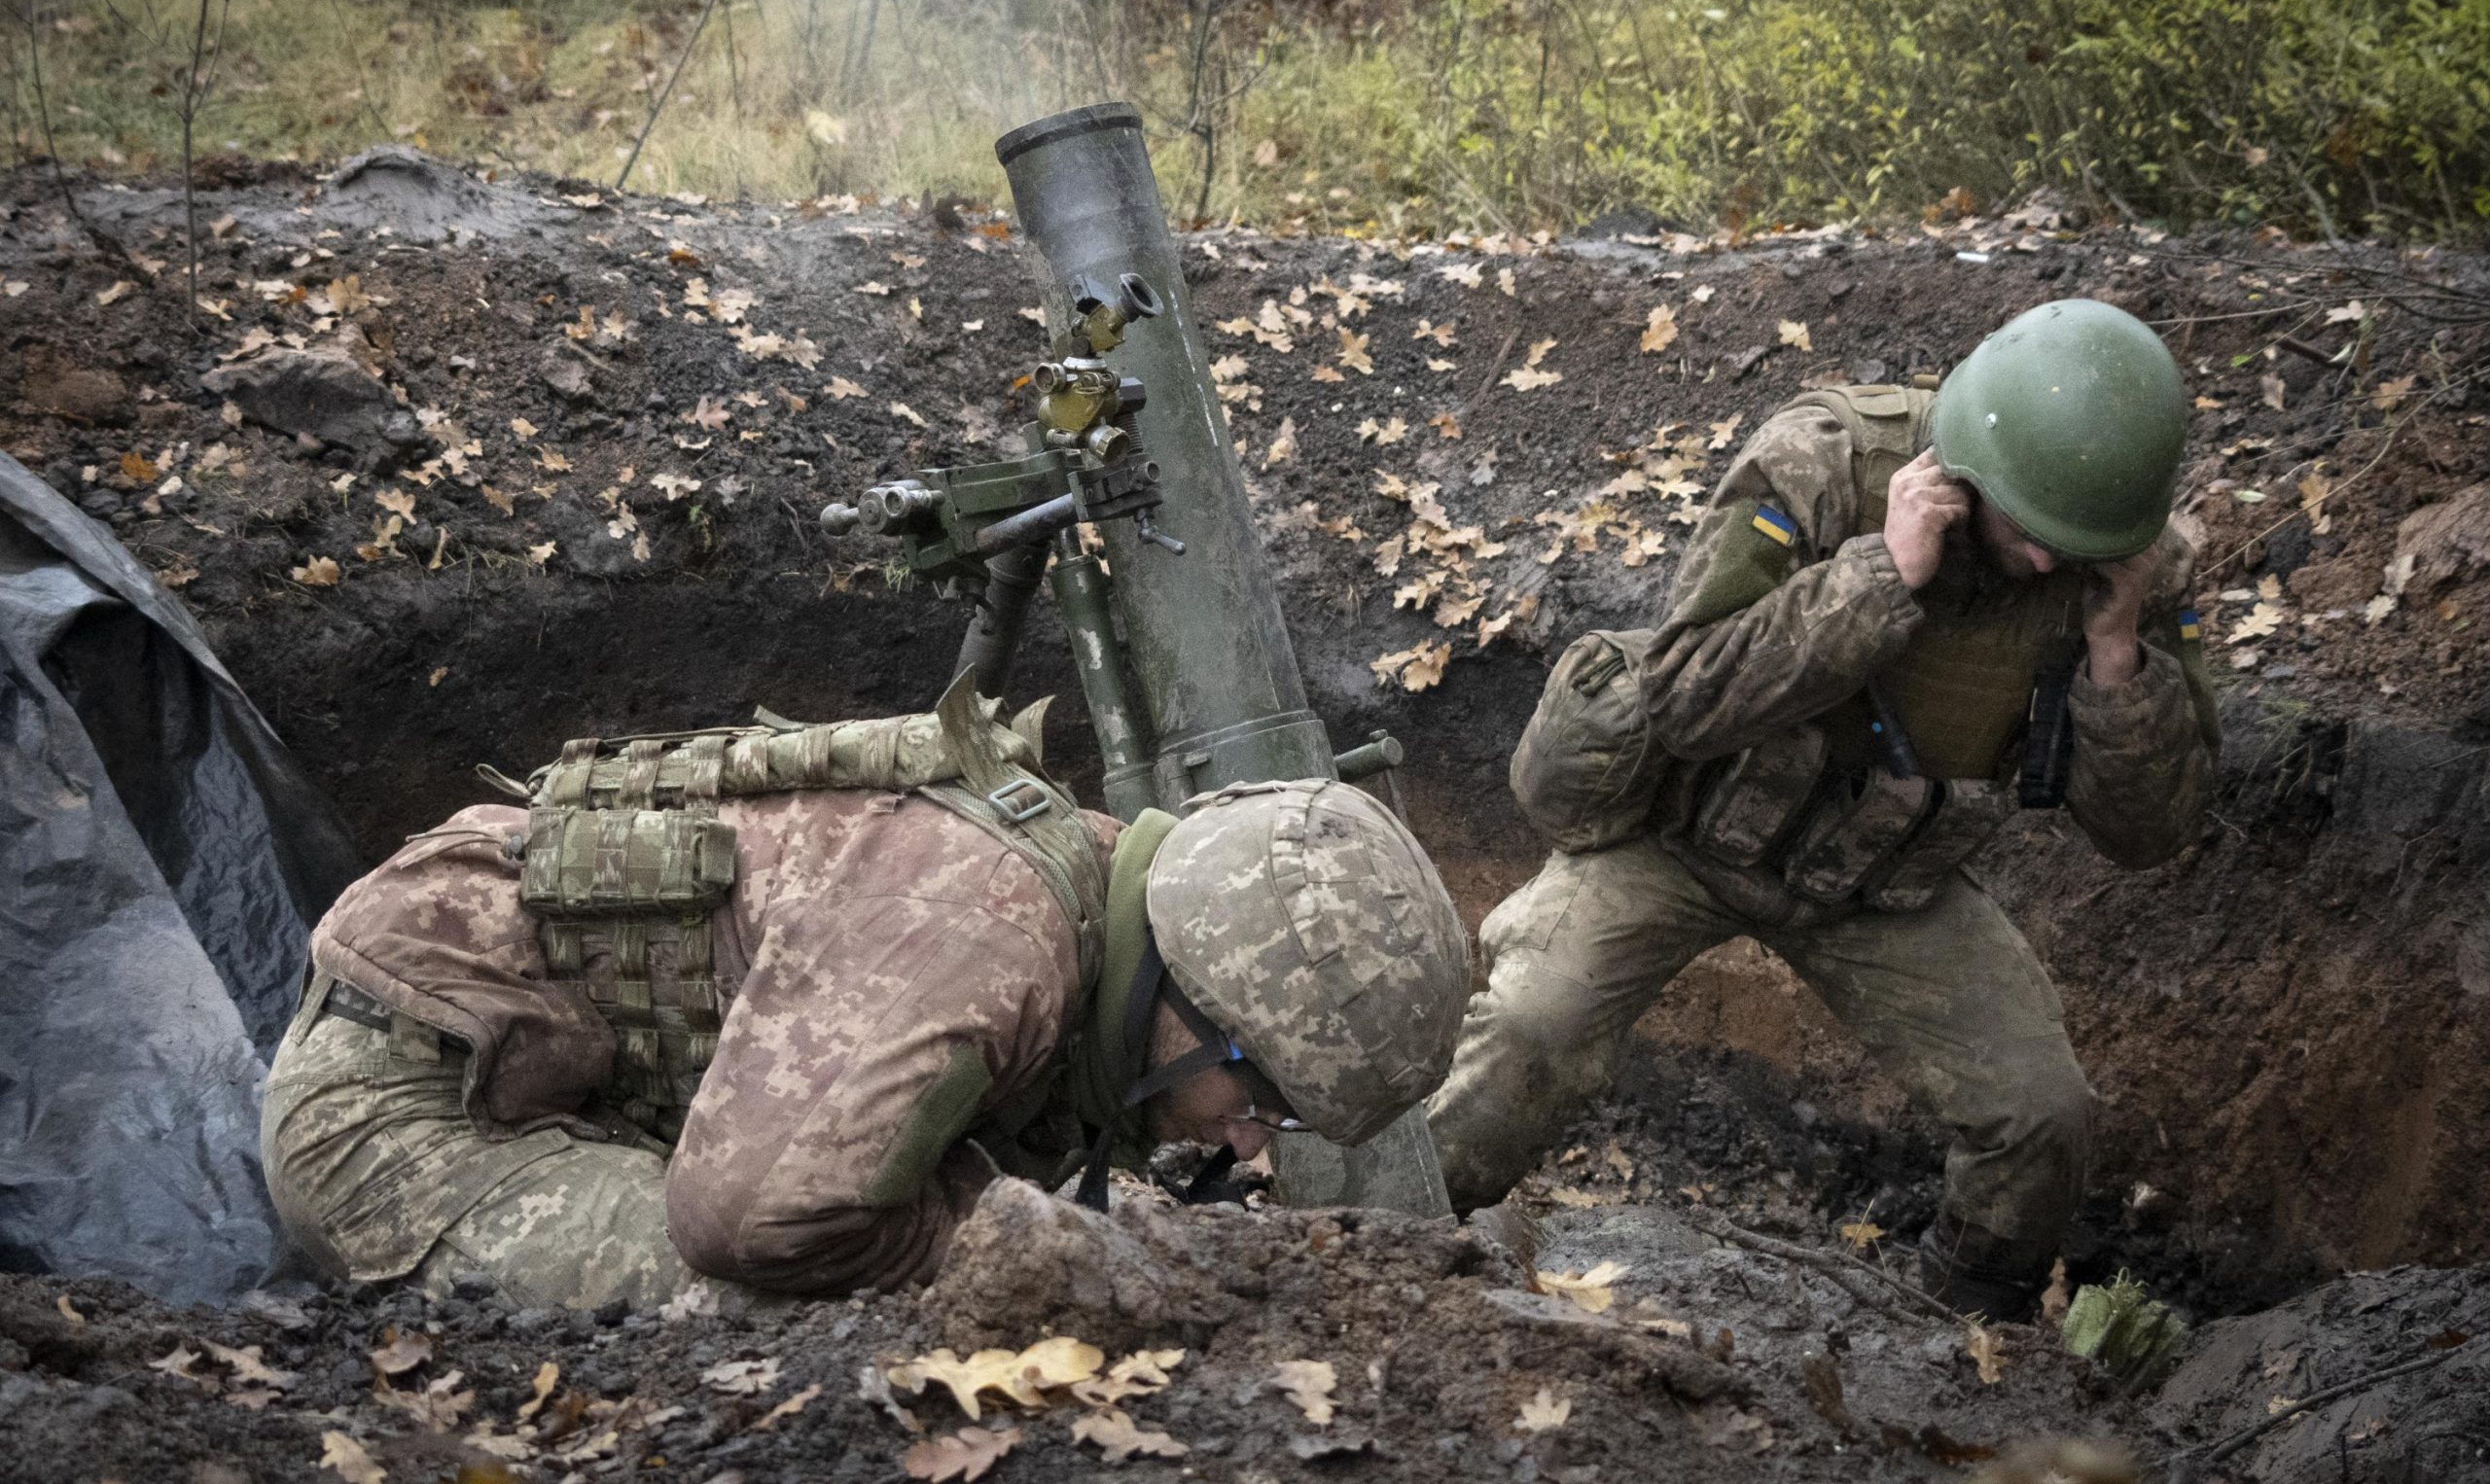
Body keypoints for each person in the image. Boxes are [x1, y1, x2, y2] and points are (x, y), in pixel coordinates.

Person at [1427, 299, 2220, 1318]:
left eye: (2079, 546)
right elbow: (1684, 694)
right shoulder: (1823, 462)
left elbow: (2154, 834)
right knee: (1531, 1029)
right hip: (1683, 836)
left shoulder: (2127, 558)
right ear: (1973, 468)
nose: (2048, 565)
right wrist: (1877, 576)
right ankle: (1386, 1235)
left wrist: (2117, 659)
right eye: (2033, 532)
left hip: (1883, 882)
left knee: (2041, 1114)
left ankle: (1967, 1330)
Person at [262, 677, 1469, 1310]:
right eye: (1259, 1091)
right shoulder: (990, 934)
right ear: (1185, 980)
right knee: (786, 1312)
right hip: (411, 1098)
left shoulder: (1086, 892)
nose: (1251, 1143)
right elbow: (750, 1223)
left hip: (588, 1086)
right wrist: (1000, 1248)